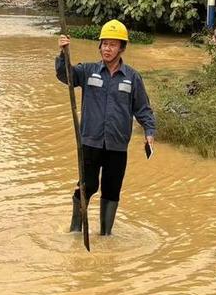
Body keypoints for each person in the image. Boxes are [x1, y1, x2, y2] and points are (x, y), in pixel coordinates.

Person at [56, 20, 156, 236]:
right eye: (104, 44)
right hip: (90, 142)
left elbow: (143, 109)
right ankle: (75, 230)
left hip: (117, 146)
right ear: (99, 46)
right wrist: (63, 54)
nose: (107, 49)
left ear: (122, 48)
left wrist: (149, 132)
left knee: (111, 190)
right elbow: (66, 76)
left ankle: (106, 235)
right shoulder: (88, 71)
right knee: (87, 186)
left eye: (113, 45)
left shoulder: (132, 77)